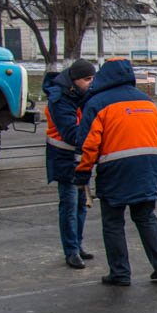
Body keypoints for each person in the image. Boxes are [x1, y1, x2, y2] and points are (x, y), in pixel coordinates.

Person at [74, 58, 157, 286]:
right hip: (149, 166)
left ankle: (120, 273)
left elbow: (88, 145)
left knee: (113, 222)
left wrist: (82, 174)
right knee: (145, 215)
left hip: (116, 168)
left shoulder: (98, 103)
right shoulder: (147, 102)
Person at [45, 58, 96, 269]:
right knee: (69, 205)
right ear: (74, 80)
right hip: (64, 158)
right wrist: (98, 136)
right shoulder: (60, 99)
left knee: (82, 205)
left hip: (80, 157)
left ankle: (78, 244)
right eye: (87, 79)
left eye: (93, 78)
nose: (91, 83)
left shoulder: (82, 95)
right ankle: (71, 251)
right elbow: (70, 134)